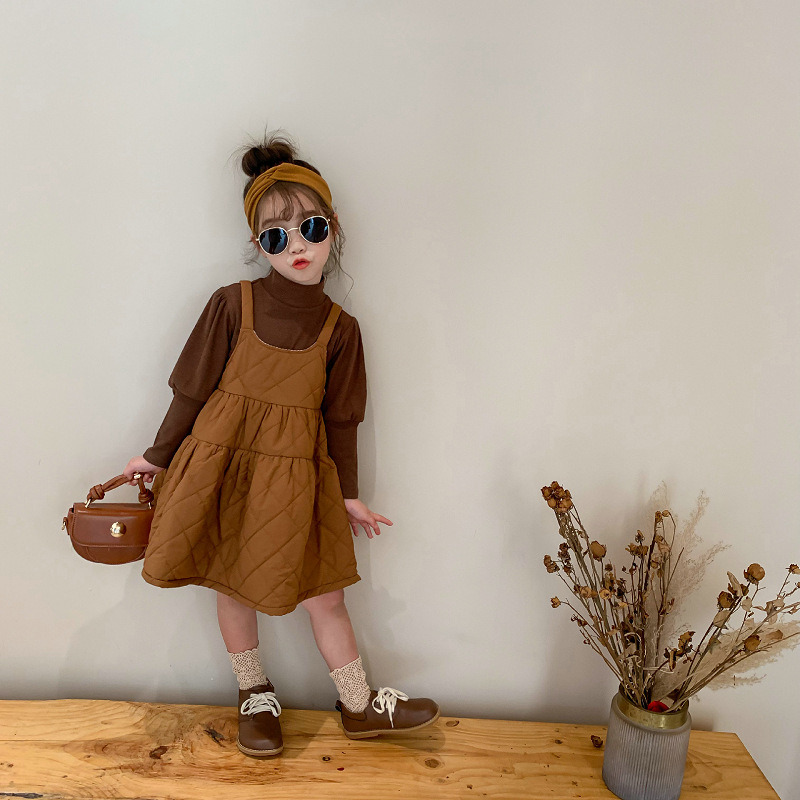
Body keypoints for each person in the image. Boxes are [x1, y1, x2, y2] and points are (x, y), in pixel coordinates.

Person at [123, 133, 439, 758]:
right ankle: (254, 694)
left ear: (333, 228)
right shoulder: (231, 304)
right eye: (276, 236)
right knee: (232, 583)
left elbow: (342, 420)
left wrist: (348, 495)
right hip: (223, 465)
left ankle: (357, 705)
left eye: (310, 228)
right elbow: (191, 390)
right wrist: (157, 456)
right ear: (257, 244)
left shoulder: (341, 330)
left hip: (298, 479)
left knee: (327, 594)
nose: (297, 246)